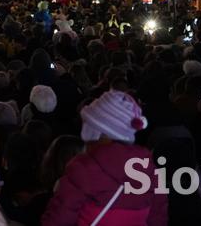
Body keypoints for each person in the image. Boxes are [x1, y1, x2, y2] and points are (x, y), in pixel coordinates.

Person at [41, 90, 167, 225]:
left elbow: (58, 221)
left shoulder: (81, 169)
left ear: (95, 131)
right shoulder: (150, 169)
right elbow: (158, 219)